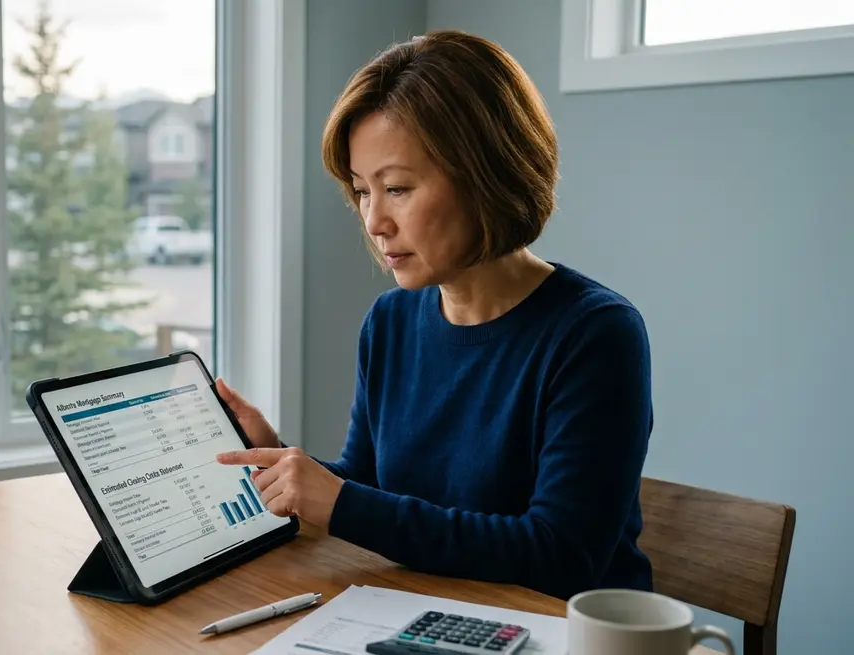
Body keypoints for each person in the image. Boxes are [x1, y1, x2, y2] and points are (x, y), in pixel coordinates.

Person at [213, 29, 654, 602]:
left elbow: (561, 556)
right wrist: (281, 465)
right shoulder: (390, 322)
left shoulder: (596, 334)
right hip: (427, 610)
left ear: (489, 174)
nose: (374, 222)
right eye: (361, 191)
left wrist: (341, 502)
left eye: (396, 188)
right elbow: (375, 488)